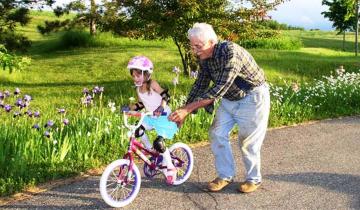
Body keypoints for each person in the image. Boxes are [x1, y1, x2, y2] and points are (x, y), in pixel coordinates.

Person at [169, 23, 270, 193]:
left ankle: (254, 179)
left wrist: (187, 110)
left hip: (252, 97)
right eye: (192, 46)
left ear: (211, 42)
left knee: (248, 142)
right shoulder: (205, 59)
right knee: (217, 133)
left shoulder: (231, 53)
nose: (194, 50)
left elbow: (219, 88)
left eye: (198, 46)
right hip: (230, 98)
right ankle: (225, 176)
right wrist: (185, 111)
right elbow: (200, 85)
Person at [123, 55, 178, 185]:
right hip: (150, 116)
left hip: (164, 117)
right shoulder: (138, 89)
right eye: (134, 76)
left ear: (146, 74)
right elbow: (141, 104)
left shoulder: (152, 84)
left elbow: (166, 95)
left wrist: (161, 107)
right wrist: (130, 109)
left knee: (159, 142)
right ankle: (150, 150)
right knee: (138, 131)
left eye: (138, 75)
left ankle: (170, 167)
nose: (135, 78)